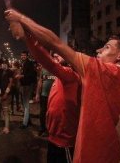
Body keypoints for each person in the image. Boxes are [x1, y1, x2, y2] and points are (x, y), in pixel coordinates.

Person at [5, 9, 120, 163]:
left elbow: (55, 44)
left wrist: (21, 20)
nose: (98, 50)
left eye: (106, 47)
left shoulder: (108, 73)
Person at [23, 31, 81, 163]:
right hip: (53, 138)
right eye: (54, 52)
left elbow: (48, 61)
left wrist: (27, 36)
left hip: (64, 142)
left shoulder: (70, 75)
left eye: (60, 53)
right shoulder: (60, 77)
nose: (55, 54)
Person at [15, 51, 36, 129]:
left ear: (27, 56)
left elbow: (32, 75)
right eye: (22, 55)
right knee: (24, 104)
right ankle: (28, 120)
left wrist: (21, 76)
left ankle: (25, 123)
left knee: (26, 104)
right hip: (24, 85)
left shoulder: (29, 63)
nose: (23, 56)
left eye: (24, 55)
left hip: (27, 85)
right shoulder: (24, 63)